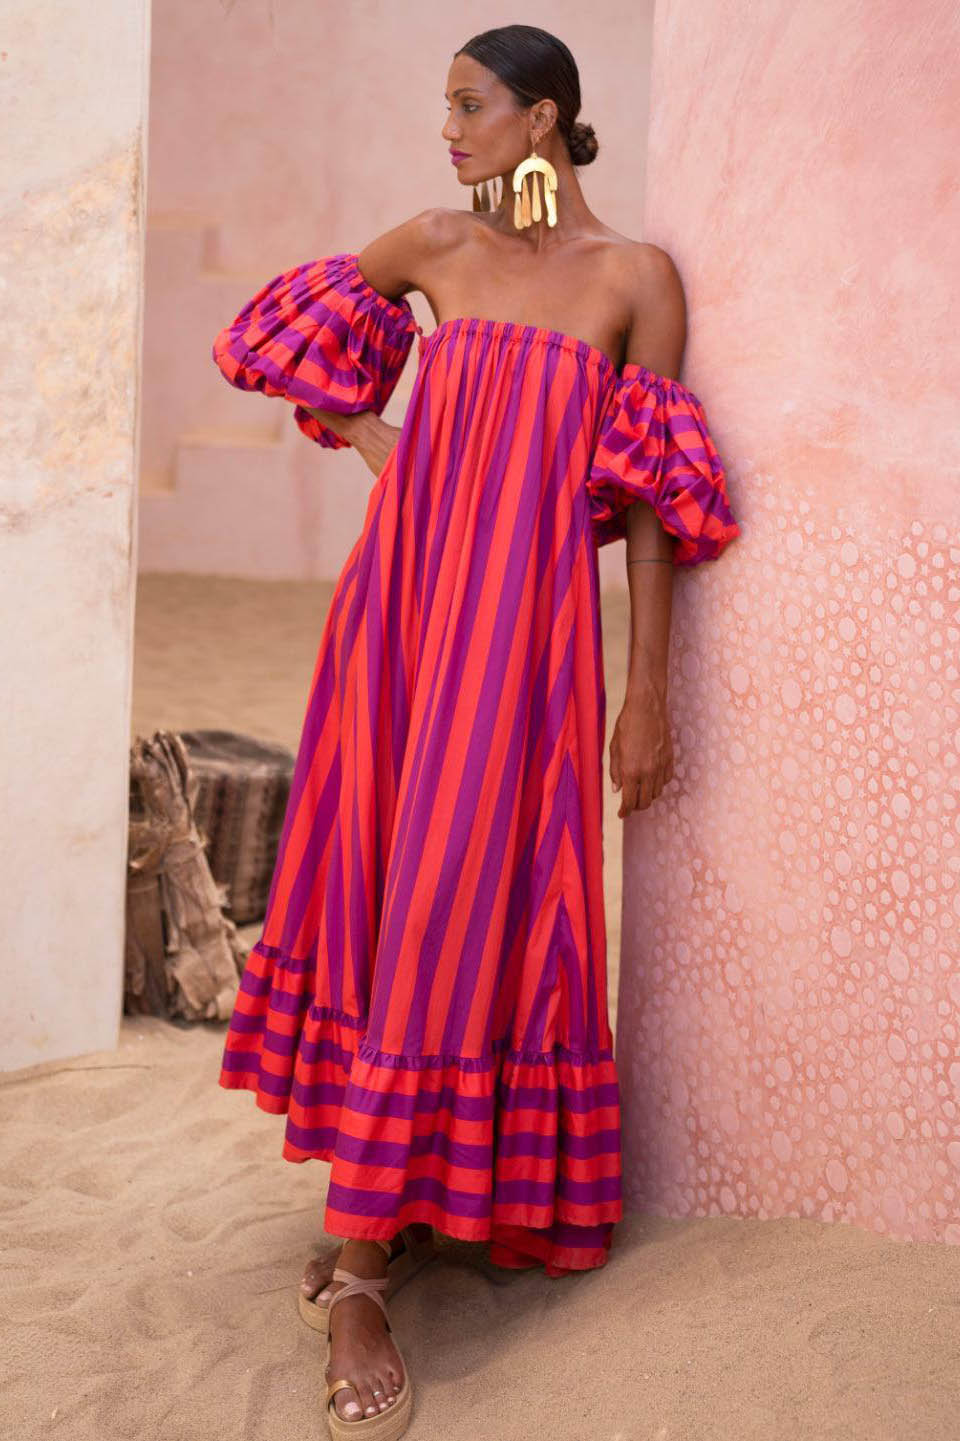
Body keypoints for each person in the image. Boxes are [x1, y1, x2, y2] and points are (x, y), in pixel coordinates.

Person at [211, 22, 740, 1439]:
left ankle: (402, 1208)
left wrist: (648, 688)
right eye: (444, 105)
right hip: (397, 621)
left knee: (480, 901)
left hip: (528, 646)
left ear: (543, 116)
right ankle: (360, 1271)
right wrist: (374, 436)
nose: (447, 130)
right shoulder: (437, 244)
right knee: (388, 888)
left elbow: (654, 501)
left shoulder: (633, 279)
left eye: (469, 104)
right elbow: (270, 337)